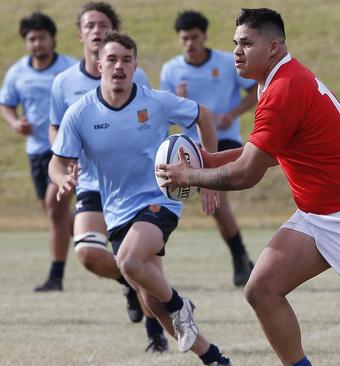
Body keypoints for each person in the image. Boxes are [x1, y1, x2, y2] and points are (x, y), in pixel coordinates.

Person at [156, 8, 340, 366]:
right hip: (318, 214)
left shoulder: (283, 88)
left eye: (247, 43)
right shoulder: (275, 80)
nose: (237, 51)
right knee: (262, 290)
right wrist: (206, 158)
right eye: (235, 43)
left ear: (273, 46)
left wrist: (189, 176)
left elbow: (247, 174)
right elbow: (265, 154)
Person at [49, 32, 231, 366]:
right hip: (116, 211)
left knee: (129, 263)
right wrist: (62, 178)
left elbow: (203, 115)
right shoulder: (80, 113)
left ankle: (181, 304)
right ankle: (214, 357)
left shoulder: (155, 102)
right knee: (152, 304)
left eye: (127, 60)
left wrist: (208, 177)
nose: (119, 66)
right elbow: (57, 160)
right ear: (99, 64)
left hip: (158, 200)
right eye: (113, 59)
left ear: (135, 66)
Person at [48, 1, 164, 351]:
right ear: (80, 33)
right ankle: (128, 281)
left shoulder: (135, 77)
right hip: (91, 182)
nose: (97, 30)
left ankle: (155, 334)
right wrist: (65, 161)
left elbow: (150, 122)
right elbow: (55, 130)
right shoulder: (63, 82)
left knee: (142, 262)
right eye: (90, 25)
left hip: (133, 185)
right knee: (88, 253)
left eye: (103, 24)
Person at [160, 10, 257, 287]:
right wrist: (178, 102)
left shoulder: (226, 63)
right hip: (189, 144)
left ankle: (240, 259)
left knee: (217, 201)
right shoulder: (171, 70)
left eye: (194, 37)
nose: (189, 43)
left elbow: (253, 90)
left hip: (224, 140)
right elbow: (166, 110)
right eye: (184, 38)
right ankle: (241, 257)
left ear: (204, 36)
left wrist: (233, 113)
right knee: (209, 202)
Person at [0, 12, 77, 292]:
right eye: (31, 39)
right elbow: (6, 103)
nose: (36, 44)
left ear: (52, 38)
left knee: (54, 205)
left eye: (42, 37)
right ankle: (95, 234)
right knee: (53, 211)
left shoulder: (70, 69)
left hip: (66, 151)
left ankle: (56, 276)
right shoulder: (18, 72)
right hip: (35, 151)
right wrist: (14, 122)